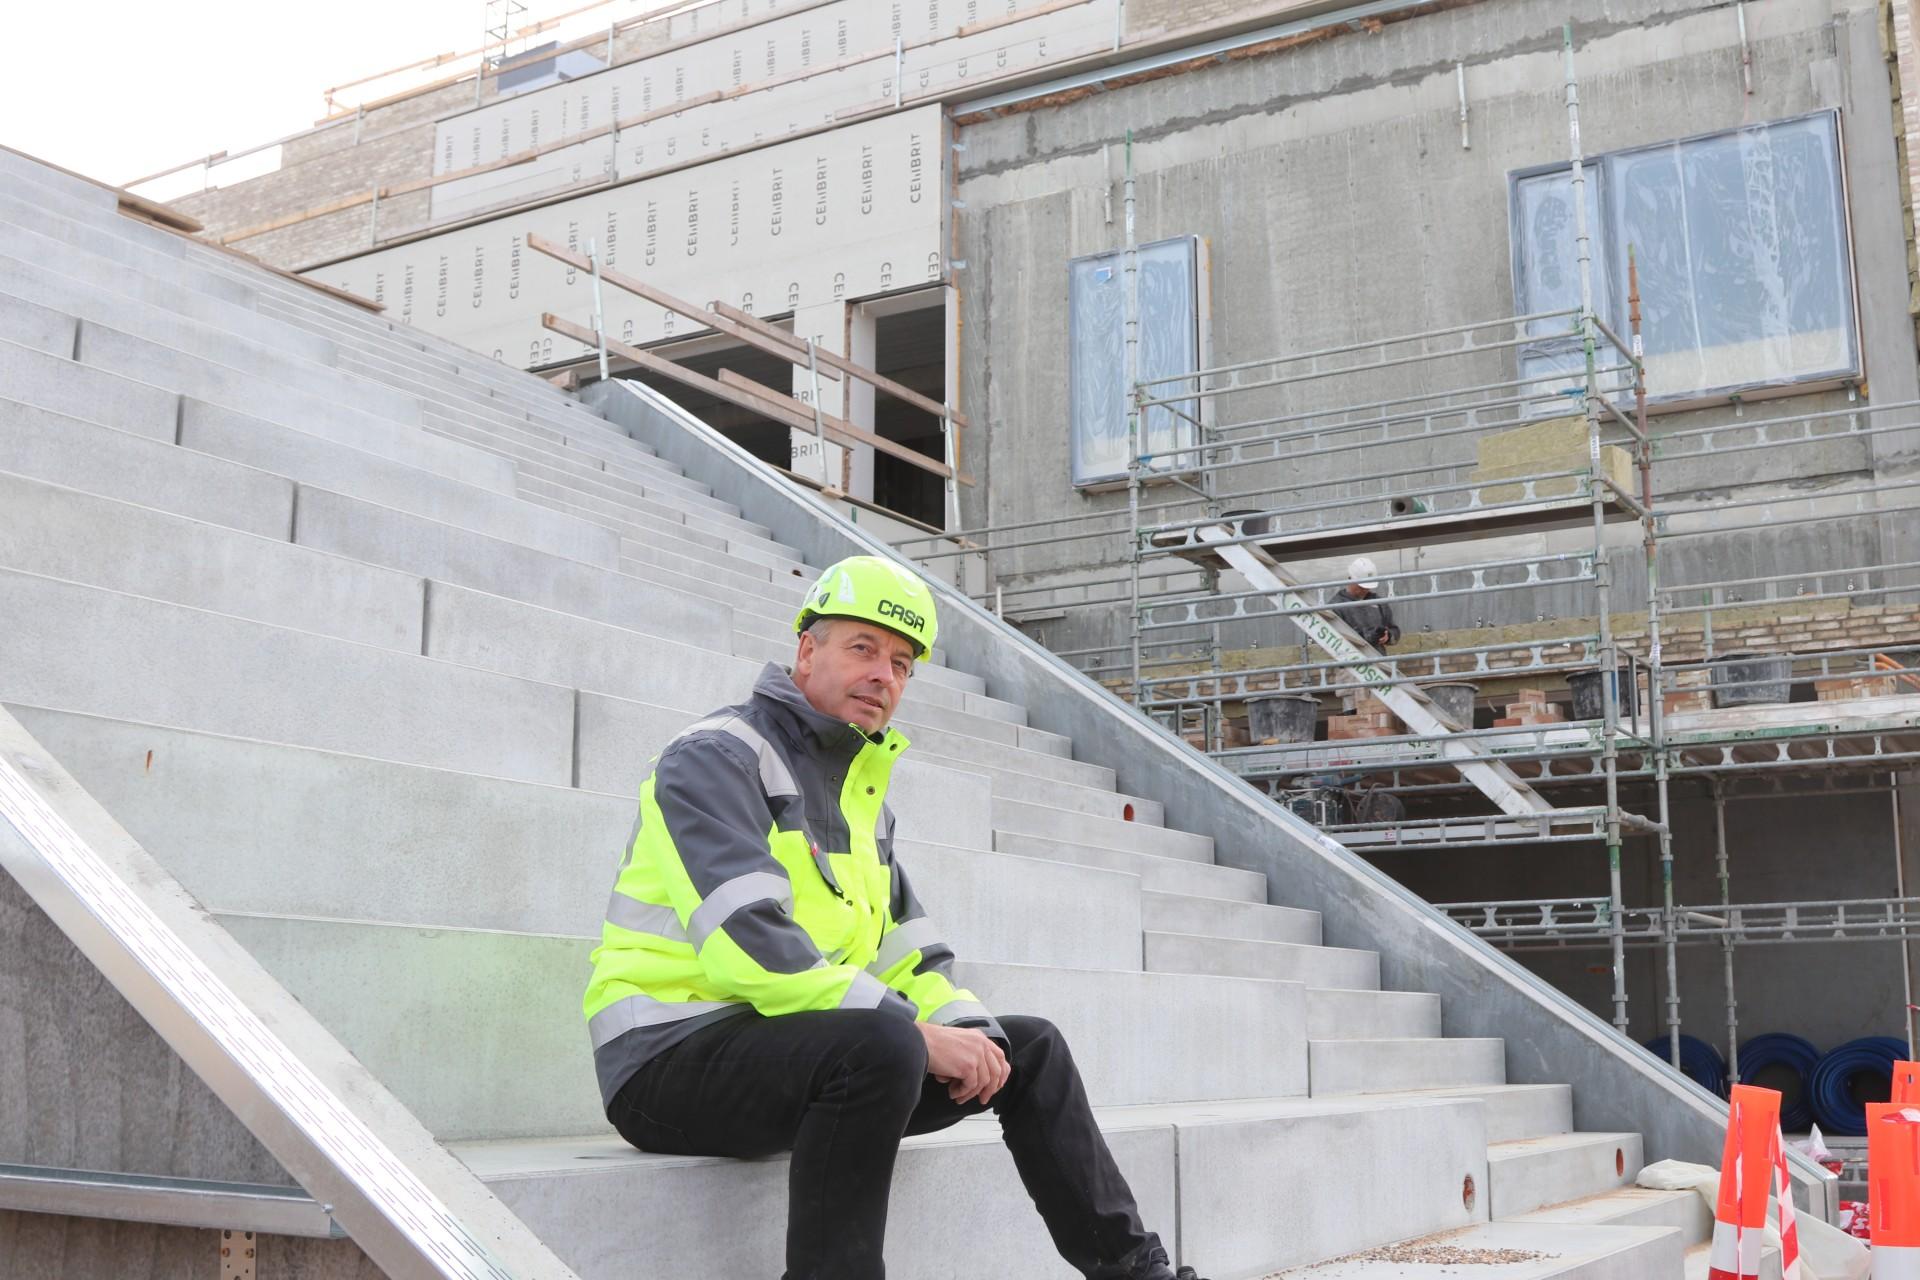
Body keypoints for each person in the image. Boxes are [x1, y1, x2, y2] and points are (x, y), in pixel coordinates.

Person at [583, 554, 1204, 1280]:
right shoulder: (714, 758)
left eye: (903, 663)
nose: (885, 675)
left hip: (790, 1053)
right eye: (863, 649)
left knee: (1026, 1049)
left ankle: (1139, 1275)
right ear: (806, 650)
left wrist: (966, 1032)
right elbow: (745, 944)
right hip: (664, 1061)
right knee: (883, 1044)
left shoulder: (858, 794)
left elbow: (912, 958)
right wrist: (915, 1034)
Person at [1329, 556, 1401, 650]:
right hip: (1352, 661)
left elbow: (1395, 630)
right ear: (1350, 579)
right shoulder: (1336, 606)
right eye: (1361, 587)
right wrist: (1367, 637)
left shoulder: (1378, 602)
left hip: (1378, 660)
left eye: (1368, 587)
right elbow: (1334, 640)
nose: (1365, 590)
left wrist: (1388, 637)